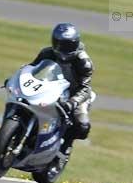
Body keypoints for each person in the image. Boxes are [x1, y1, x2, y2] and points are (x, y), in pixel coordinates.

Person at [30, 23, 94, 153]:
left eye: (67, 45)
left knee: (82, 125)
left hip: (74, 95)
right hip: (50, 89)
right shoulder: (47, 53)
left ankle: (65, 149)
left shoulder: (84, 62)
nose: (62, 49)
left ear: (76, 43)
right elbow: (31, 70)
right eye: (59, 44)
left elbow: (85, 89)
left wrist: (72, 102)